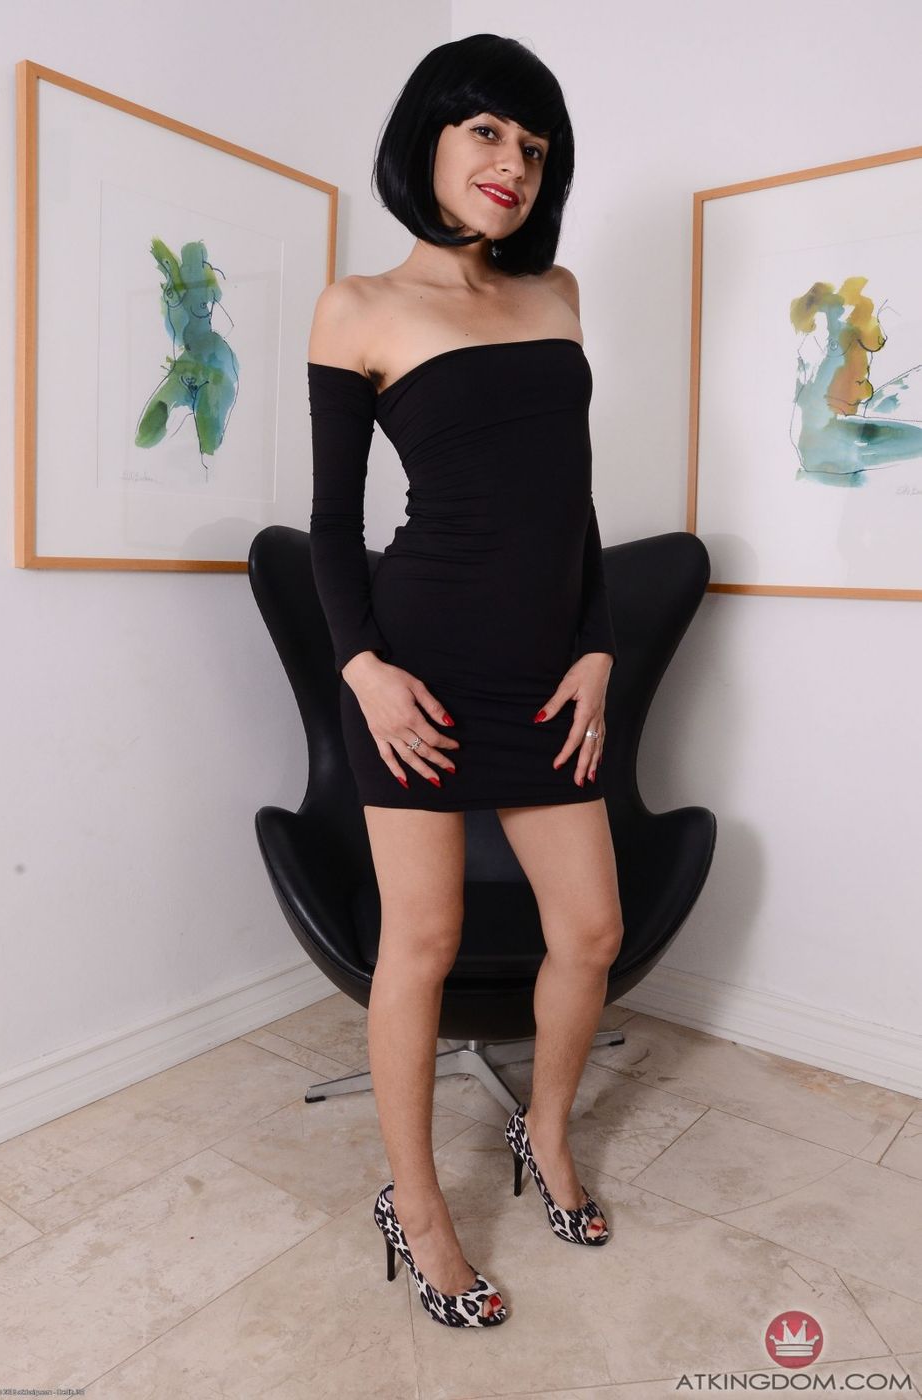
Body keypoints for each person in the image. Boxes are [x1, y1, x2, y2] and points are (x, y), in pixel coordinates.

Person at [307, 33, 624, 1328]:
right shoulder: (358, 306)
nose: (512, 163)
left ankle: (543, 1134)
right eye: (487, 130)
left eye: (533, 146)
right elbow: (333, 527)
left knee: (590, 931)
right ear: (429, 139)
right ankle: (419, 1206)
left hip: (548, 674)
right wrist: (365, 672)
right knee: (422, 943)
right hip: (419, 671)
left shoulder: (557, 293)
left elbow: (572, 498)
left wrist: (598, 644)